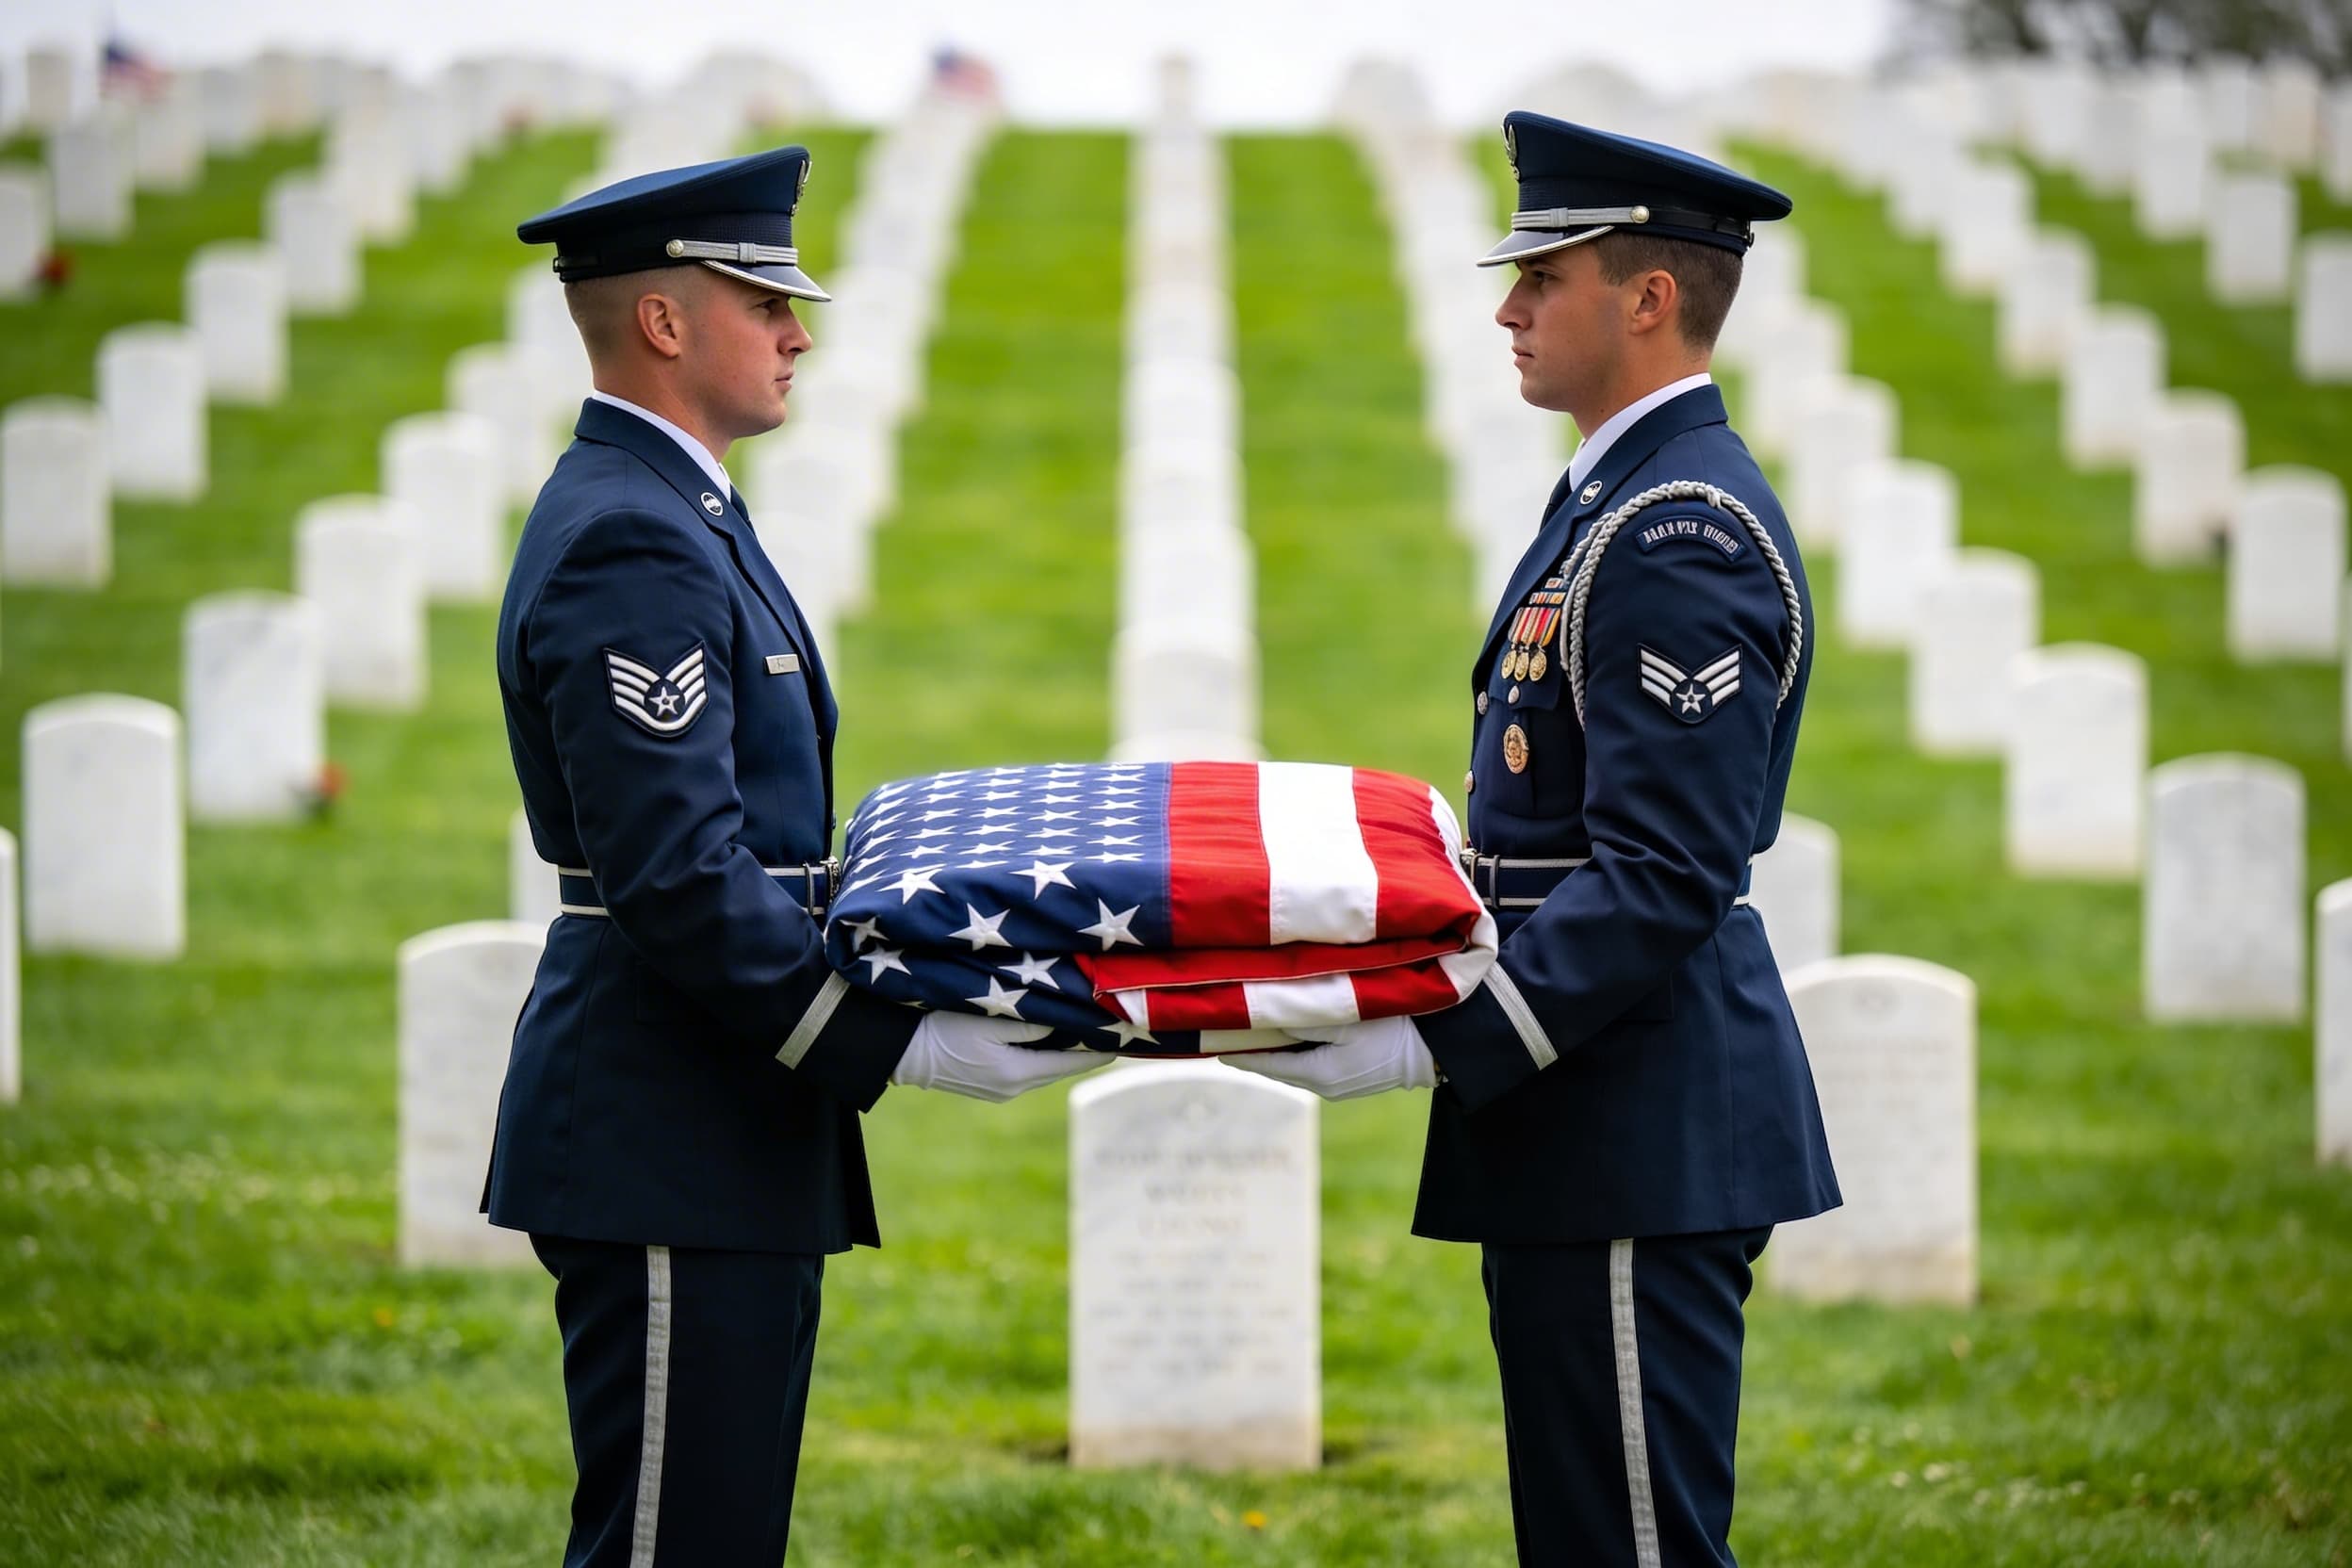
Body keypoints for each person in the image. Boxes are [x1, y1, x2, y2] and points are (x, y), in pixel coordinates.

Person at [1230, 112, 1841, 1567]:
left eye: (1543, 276)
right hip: (1591, 1119)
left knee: (1631, 1543)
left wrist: (1439, 1039)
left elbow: (1664, 869)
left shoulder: (1675, 528)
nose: (1507, 305)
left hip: (1637, 1124)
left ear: (1647, 298)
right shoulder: (1614, 502)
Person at [492, 145, 1102, 1568]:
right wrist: (882, 1043)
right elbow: (677, 872)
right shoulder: (629, 542)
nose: (797, 331)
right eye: (764, 299)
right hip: (665, 1120)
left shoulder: (673, 511)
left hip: (717, 1115)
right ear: (662, 321)